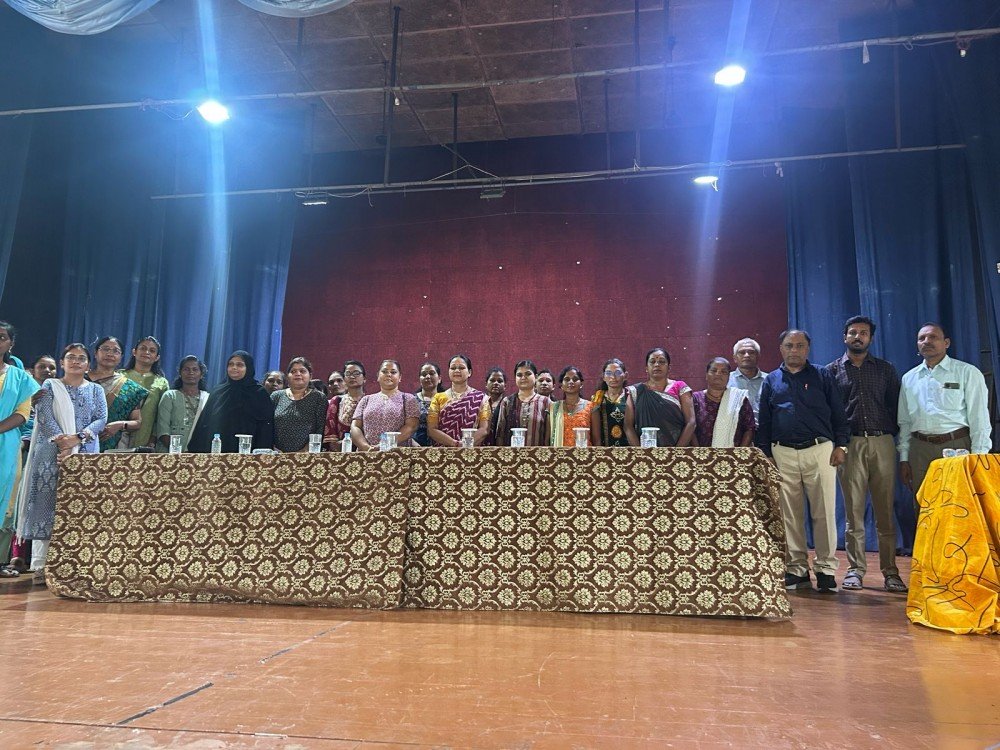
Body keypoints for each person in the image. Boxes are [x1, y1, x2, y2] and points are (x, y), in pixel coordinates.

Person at [757, 329, 850, 593]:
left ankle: (826, 569)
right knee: (789, 516)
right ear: (781, 349)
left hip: (820, 450)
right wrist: (766, 454)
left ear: (808, 349)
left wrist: (842, 445)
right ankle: (796, 569)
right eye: (789, 345)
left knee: (824, 512)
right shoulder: (771, 380)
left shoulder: (823, 375)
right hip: (782, 453)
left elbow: (839, 413)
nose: (794, 350)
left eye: (800, 345)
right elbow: (765, 420)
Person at [826, 316, 905, 592]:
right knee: (854, 513)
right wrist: (840, 444)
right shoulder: (831, 371)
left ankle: (891, 572)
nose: (857, 337)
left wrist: (888, 435)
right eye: (853, 332)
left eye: (863, 333)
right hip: (850, 445)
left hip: (882, 442)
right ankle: (855, 570)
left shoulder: (885, 369)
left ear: (870, 338)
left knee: (885, 512)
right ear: (844, 337)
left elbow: (896, 406)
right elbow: (831, 412)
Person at [15, 343, 107, 579]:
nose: (76, 361)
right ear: (62, 362)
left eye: (81, 358)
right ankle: (41, 565)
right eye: (71, 357)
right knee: (46, 505)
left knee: (80, 507)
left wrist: (77, 439)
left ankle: (75, 564)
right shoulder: (50, 385)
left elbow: (101, 419)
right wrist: (63, 443)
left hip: (85, 453)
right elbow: (45, 417)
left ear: (88, 364)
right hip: (50, 453)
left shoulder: (96, 390)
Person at [898, 322, 991, 504]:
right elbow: (905, 422)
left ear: (946, 343)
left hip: (957, 445)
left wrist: (978, 457)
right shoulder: (909, 378)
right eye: (922, 338)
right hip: (919, 450)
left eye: (933, 337)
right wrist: (904, 458)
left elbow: (979, 418)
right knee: (925, 506)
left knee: (959, 505)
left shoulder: (967, 372)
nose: (927, 341)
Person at [0, 323, 40, 577]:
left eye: (2, 337)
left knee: (5, 500)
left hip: (6, 445)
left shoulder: (21, 378)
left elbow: (23, 414)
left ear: (10, 344)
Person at [187, 351, 275, 453]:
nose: (234, 368)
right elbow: (204, 423)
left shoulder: (259, 393)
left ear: (248, 368)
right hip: (218, 452)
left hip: (249, 453)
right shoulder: (218, 392)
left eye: (239, 365)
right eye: (231, 364)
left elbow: (266, 427)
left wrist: (261, 453)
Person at [624, 348, 696, 447]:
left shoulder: (680, 387)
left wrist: (676, 452)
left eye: (662, 362)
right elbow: (628, 426)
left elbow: (691, 422)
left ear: (669, 367)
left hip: (677, 451)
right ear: (646, 368)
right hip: (644, 451)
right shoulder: (636, 391)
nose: (657, 365)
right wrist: (640, 452)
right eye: (652, 362)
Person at [87, 336, 147, 452]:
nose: (110, 354)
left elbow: (137, 422)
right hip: (78, 443)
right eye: (105, 349)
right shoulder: (80, 380)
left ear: (121, 357)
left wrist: (120, 425)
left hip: (113, 448)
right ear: (95, 353)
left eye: (116, 351)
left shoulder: (129, 388)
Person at [350, 359, 420, 451]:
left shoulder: (408, 399)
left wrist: (384, 445)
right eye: (384, 371)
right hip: (366, 454)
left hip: (398, 454)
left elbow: (411, 426)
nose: (389, 374)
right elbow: (355, 427)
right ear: (378, 376)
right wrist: (366, 448)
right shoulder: (366, 400)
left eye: (393, 372)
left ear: (400, 377)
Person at [426, 355, 492, 447]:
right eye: (453, 368)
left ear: (469, 372)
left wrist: (466, 444)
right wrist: (455, 444)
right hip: (443, 452)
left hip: (472, 451)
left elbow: (484, 429)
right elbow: (432, 429)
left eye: (461, 368)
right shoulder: (438, 398)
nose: (457, 370)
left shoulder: (481, 398)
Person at [692, 357, 755, 448]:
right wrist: (698, 451)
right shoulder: (696, 398)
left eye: (724, 372)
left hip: (734, 454)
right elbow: (690, 427)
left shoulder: (739, 398)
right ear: (706, 375)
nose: (718, 374)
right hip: (701, 453)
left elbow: (749, 428)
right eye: (714, 370)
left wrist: (739, 452)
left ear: (729, 376)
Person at [121, 336, 170, 449]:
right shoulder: (120, 376)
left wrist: (153, 440)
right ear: (134, 352)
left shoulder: (161, 382)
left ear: (157, 357)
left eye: (152, 351)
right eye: (143, 348)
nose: (147, 352)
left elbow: (161, 417)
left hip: (146, 440)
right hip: (117, 436)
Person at [272, 357, 328, 453]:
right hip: (276, 454)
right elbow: (267, 425)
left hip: (308, 455)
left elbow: (320, 429)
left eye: (302, 371)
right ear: (287, 376)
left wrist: (304, 452)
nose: (298, 374)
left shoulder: (318, 397)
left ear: (310, 376)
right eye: (293, 371)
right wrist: (274, 449)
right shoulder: (276, 396)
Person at [154, 356, 209, 453]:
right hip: (170, 454)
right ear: (180, 373)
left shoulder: (207, 398)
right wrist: (179, 453)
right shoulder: (170, 396)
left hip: (198, 455)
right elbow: (163, 431)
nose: (191, 372)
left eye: (195, 369)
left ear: (201, 374)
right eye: (186, 369)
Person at [494, 360, 550, 446]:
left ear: (536, 377)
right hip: (510, 453)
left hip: (539, 454)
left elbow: (549, 436)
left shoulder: (545, 402)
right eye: (519, 375)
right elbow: (500, 435)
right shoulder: (507, 402)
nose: (523, 377)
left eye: (528, 374)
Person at [324, 360, 366, 451]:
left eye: (356, 373)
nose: (352, 376)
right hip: (340, 453)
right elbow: (331, 436)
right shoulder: (337, 401)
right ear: (344, 379)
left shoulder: (370, 401)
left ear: (364, 378)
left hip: (366, 451)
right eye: (348, 374)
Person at [591, 358, 630, 447]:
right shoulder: (598, 398)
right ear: (603, 377)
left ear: (625, 375)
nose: (613, 377)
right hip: (605, 450)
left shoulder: (631, 396)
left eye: (617, 373)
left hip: (629, 450)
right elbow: (595, 432)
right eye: (608, 373)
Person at [549, 366, 593, 446]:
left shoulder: (591, 407)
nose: (571, 382)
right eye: (567, 379)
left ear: (581, 384)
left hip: (584, 453)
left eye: (575, 379)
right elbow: (547, 439)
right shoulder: (554, 408)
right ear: (561, 385)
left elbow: (597, 440)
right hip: (559, 453)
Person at [729, 337, 769, 420]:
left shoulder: (769, 380)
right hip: (732, 427)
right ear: (735, 358)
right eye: (742, 352)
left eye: (751, 352)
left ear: (758, 356)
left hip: (762, 427)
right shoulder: (726, 380)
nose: (747, 355)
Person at [413, 362, 444, 447]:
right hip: (416, 448)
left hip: (443, 447)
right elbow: (406, 426)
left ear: (439, 379)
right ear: (420, 380)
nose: (427, 376)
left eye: (432, 373)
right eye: (424, 374)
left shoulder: (447, 400)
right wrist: (415, 445)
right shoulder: (411, 400)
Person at [482, 367, 507, 446]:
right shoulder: (480, 403)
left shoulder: (508, 405)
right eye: (492, 380)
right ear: (486, 384)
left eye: (500, 381)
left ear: (505, 386)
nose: (496, 383)